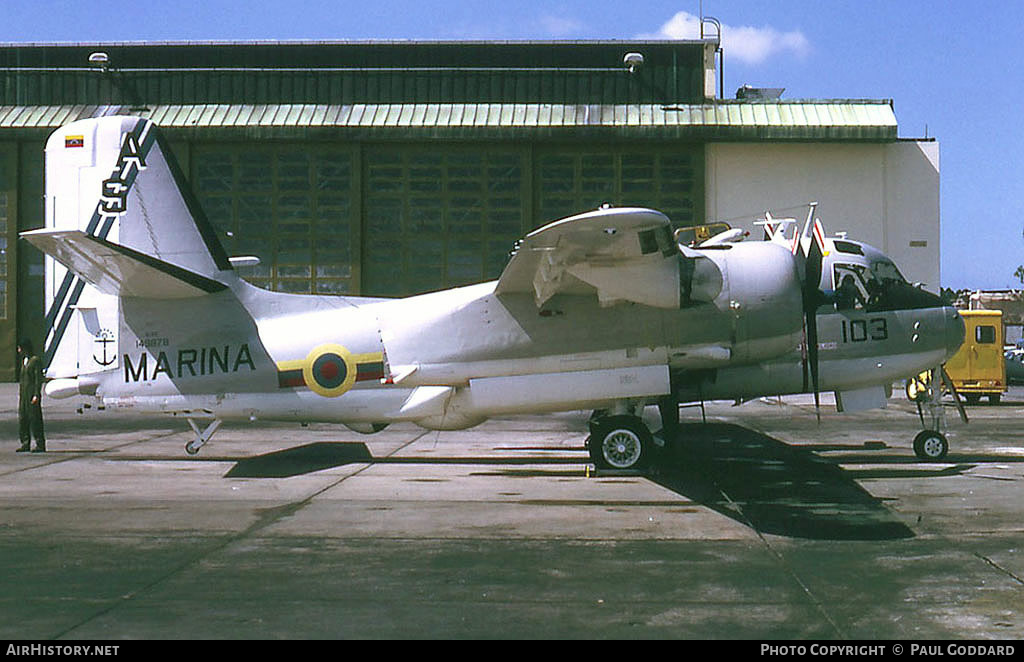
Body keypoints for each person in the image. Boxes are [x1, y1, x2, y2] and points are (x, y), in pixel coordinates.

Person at [17, 338, 45, 453]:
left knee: (35, 419)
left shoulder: (35, 361)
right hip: (23, 395)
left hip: (31, 394)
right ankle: (25, 442)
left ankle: (40, 443)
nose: (18, 350)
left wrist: (36, 394)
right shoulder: (24, 361)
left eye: (20, 348)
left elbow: (38, 379)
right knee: (23, 419)